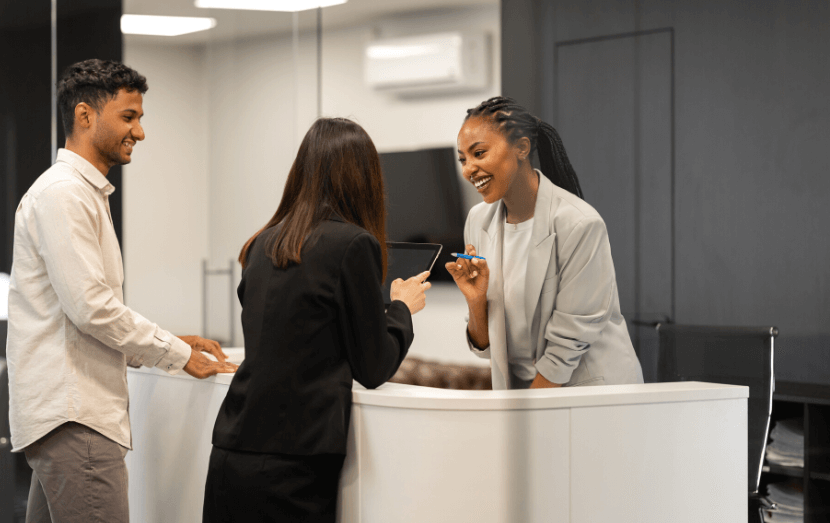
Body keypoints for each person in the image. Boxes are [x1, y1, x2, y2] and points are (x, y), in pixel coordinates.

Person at [6, 59, 238, 523]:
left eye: (140, 118)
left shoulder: (80, 193)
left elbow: (79, 316)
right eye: (129, 117)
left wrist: (173, 340)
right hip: (77, 422)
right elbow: (91, 310)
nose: (140, 132)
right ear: (85, 116)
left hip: (67, 419)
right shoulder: (64, 195)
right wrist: (173, 352)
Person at [203, 118, 430, 523]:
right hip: (295, 463)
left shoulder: (262, 242)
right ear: (365, 179)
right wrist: (401, 308)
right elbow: (373, 366)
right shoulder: (354, 244)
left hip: (232, 451)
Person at [447, 96, 643, 390]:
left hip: (591, 392)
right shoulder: (478, 221)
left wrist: (527, 418)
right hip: (528, 396)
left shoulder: (578, 223)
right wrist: (476, 301)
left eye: (479, 153)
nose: (468, 169)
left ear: (522, 148)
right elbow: (486, 347)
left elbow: (569, 343)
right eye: (463, 159)